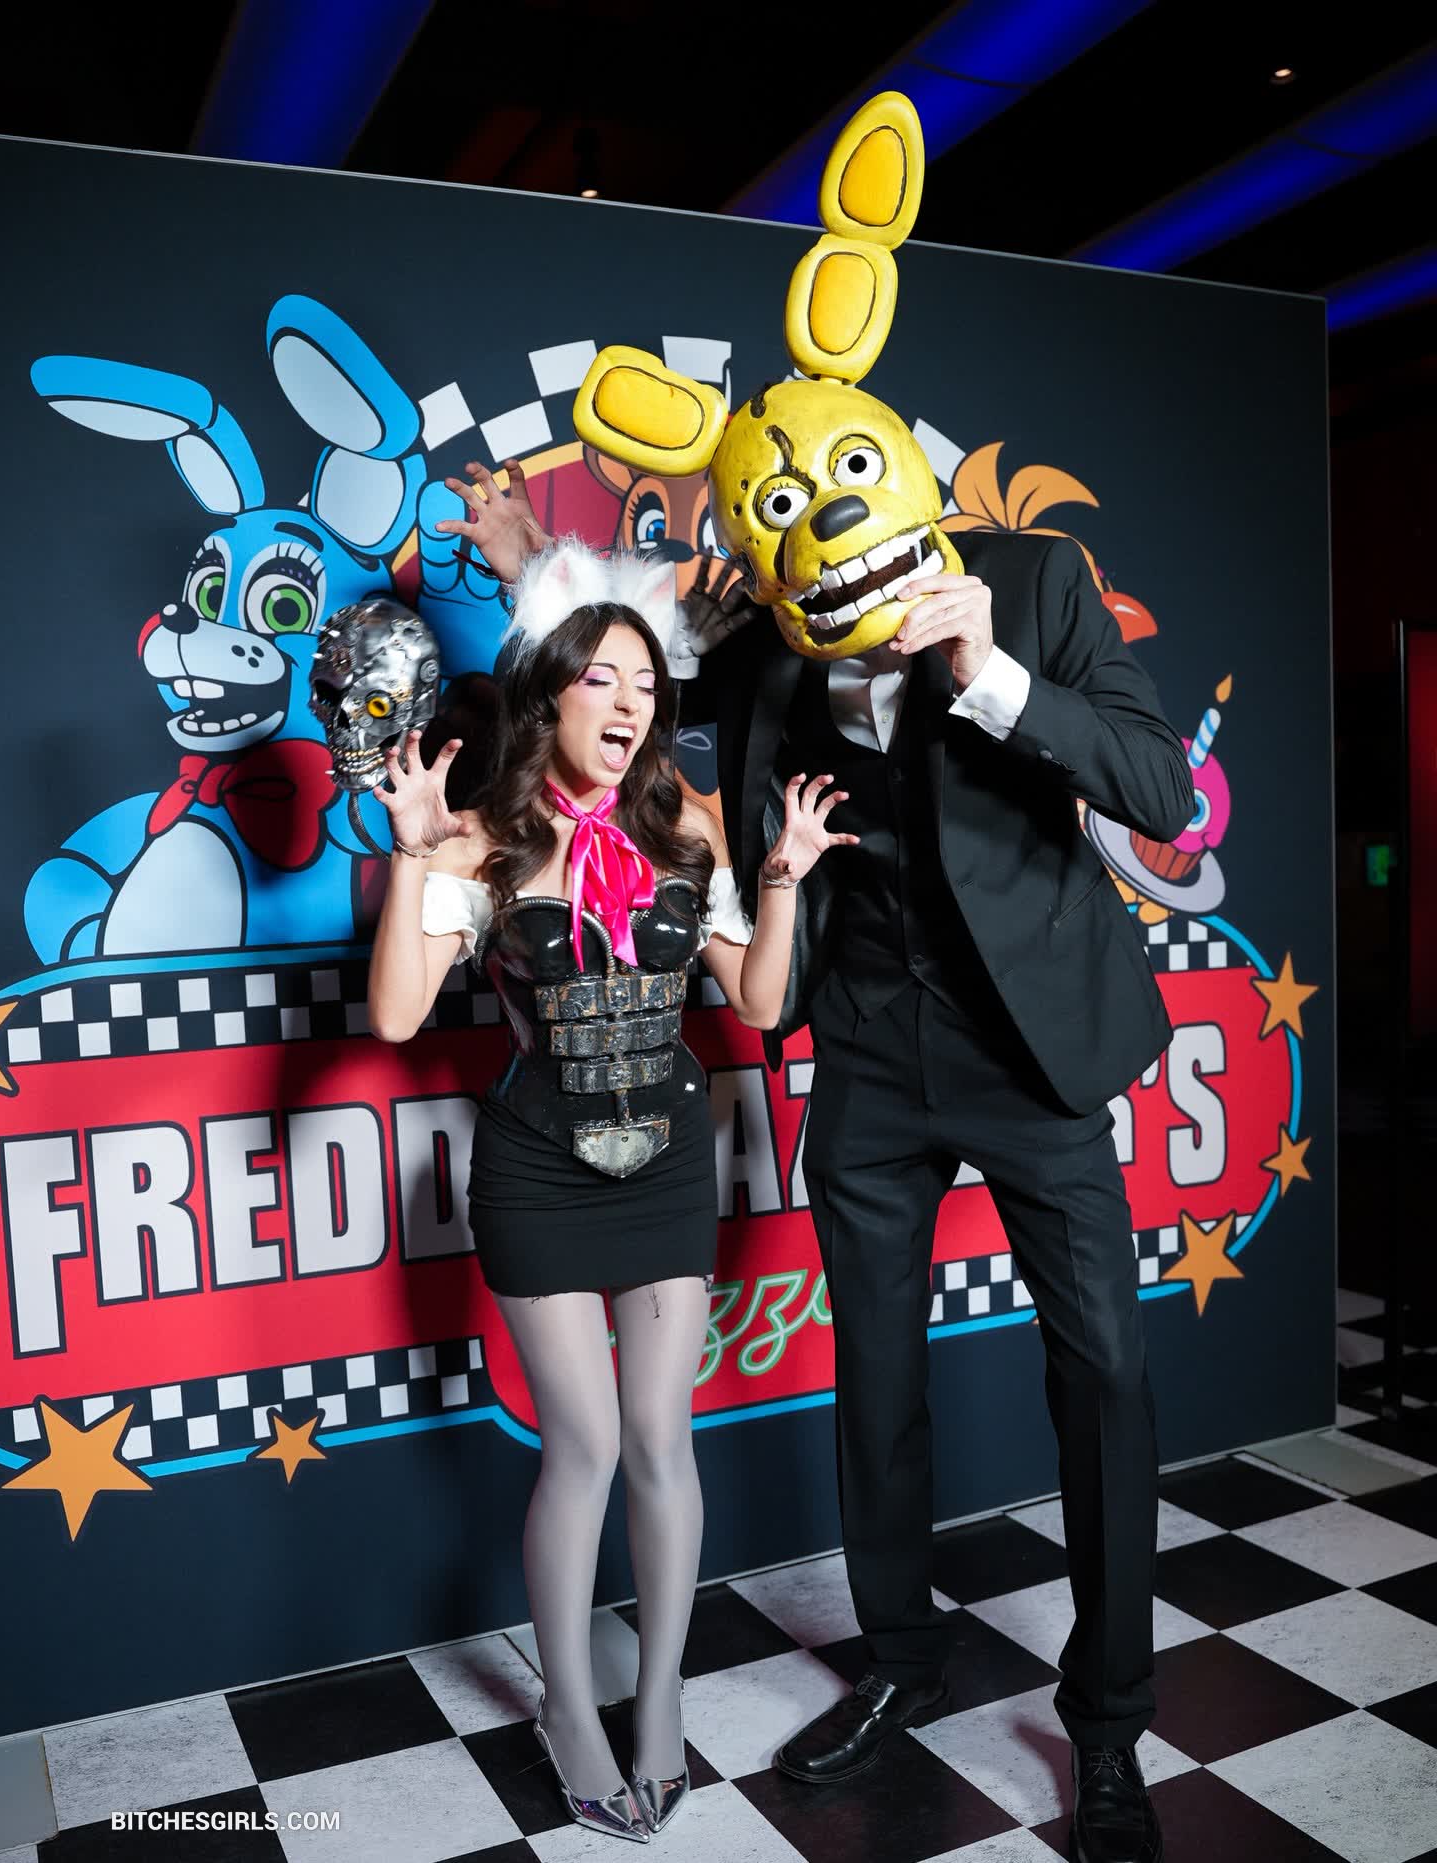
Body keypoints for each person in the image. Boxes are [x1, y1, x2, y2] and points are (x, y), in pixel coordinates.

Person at [439, 461, 1194, 1863]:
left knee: (1104, 1373)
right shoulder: (777, 622)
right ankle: (903, 1658)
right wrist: (532, 555)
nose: (807, 519)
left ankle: (1106, 1726)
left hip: (1030, 1051)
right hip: (868, 1047)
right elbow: (616, 681)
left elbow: (1159, 786)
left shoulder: (1033, 583)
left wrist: (994, 673)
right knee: (878, 1379)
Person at [365, 536, 853, 1845]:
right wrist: (411, 855)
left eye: (646, 683)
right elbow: (400, 1016)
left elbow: (759, 1005)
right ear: (551, 695)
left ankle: (662, 1698)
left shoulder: (685, 825)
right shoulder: (482, 838)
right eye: (603, 680)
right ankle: (568, 1706)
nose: (631, 703)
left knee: (659, 1441)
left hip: (670, 1167)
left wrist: (782, 882)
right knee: (582, 1448)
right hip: (537, 1172)